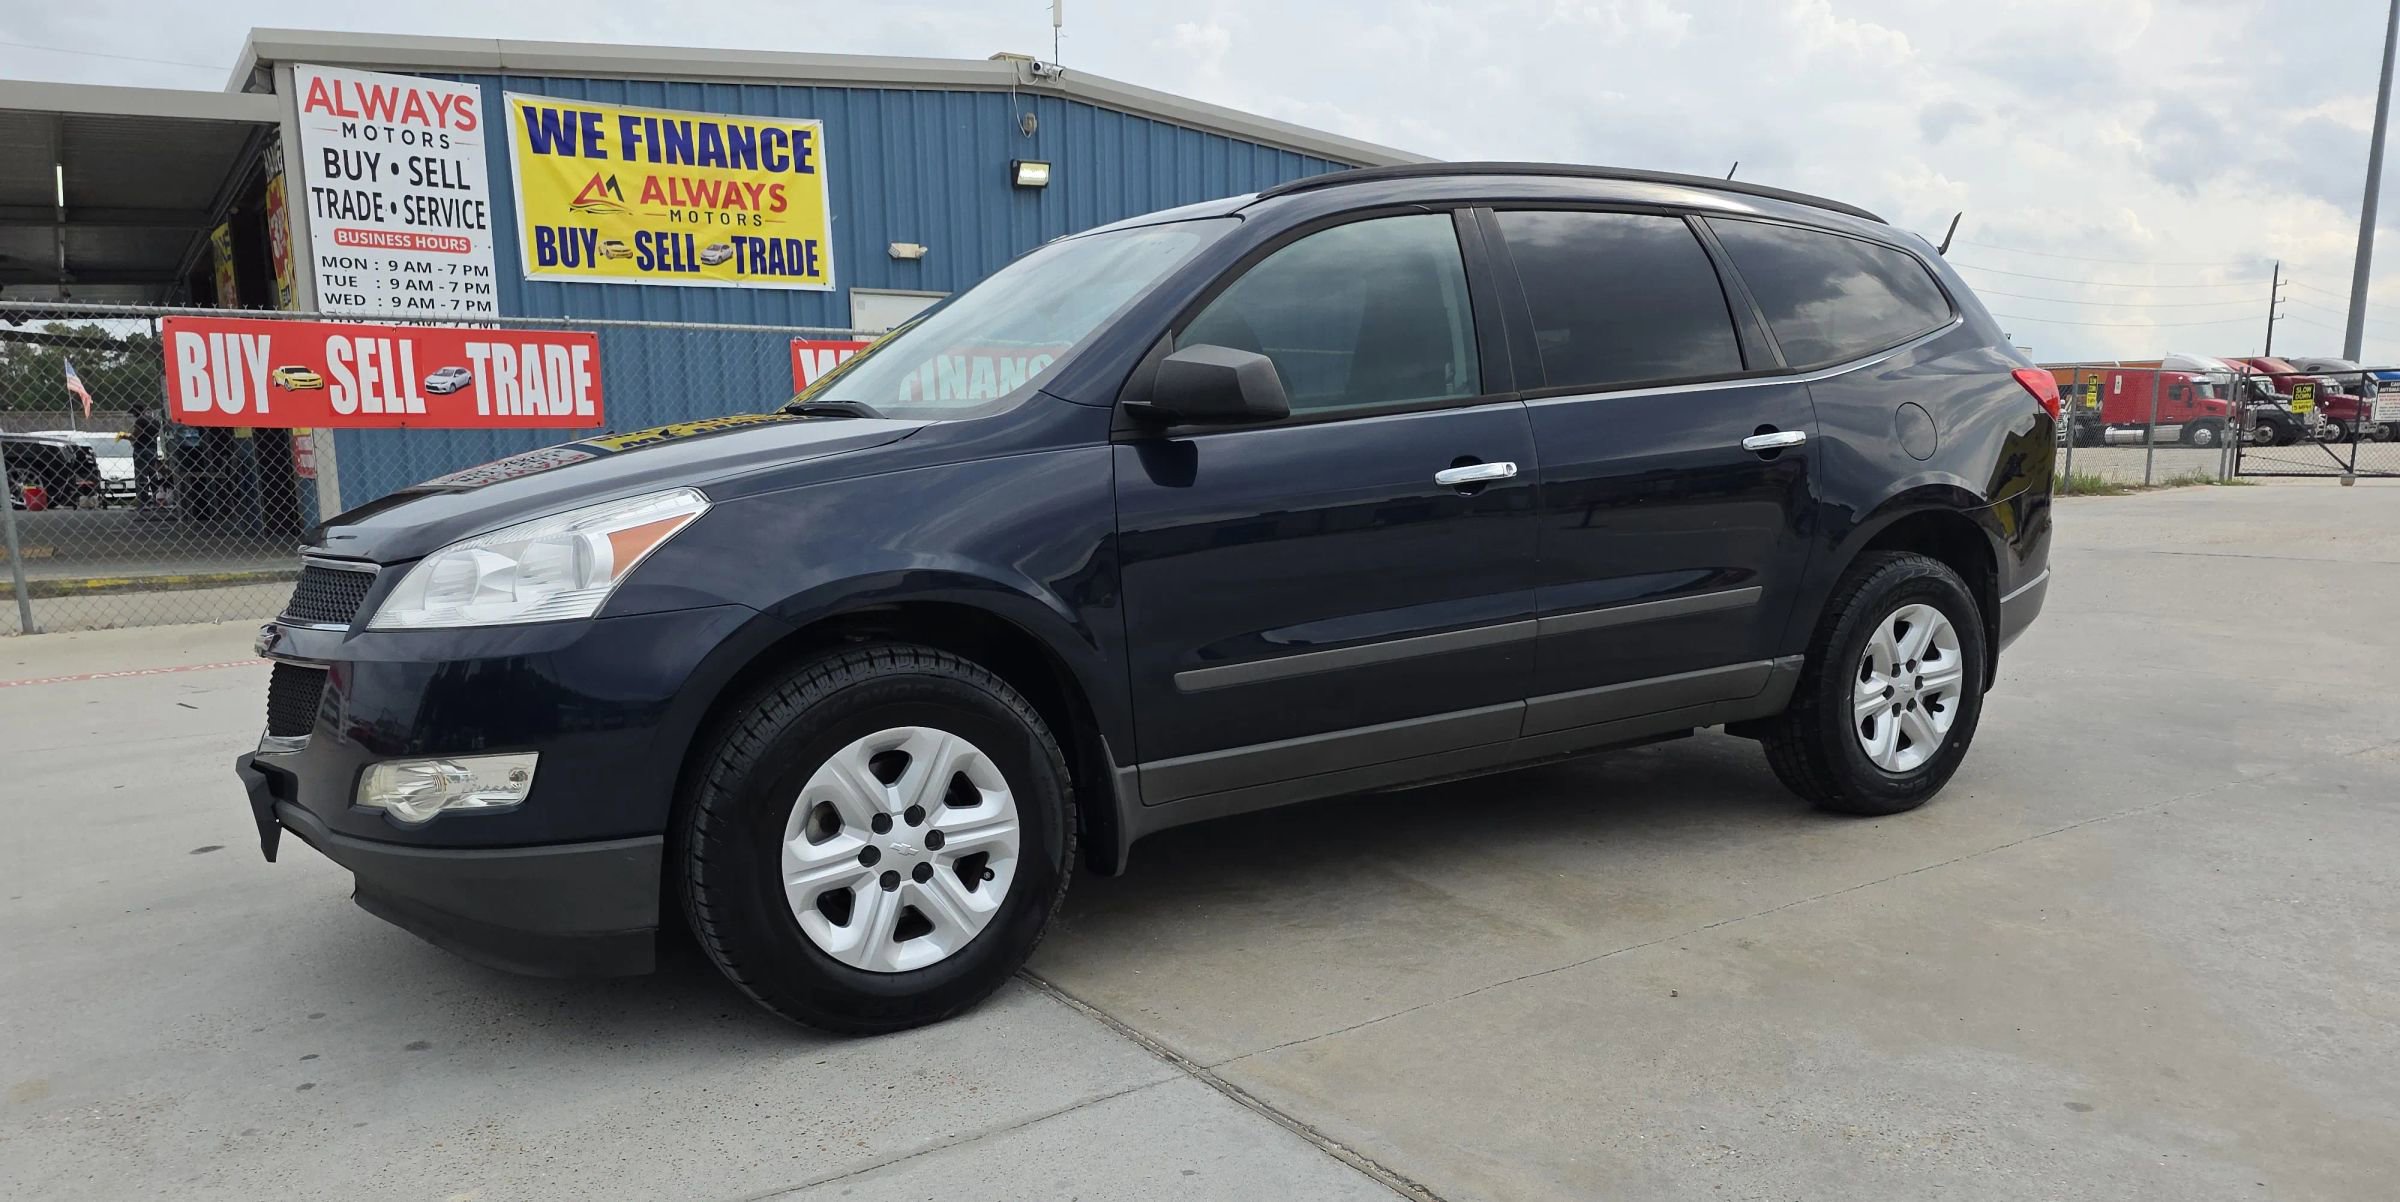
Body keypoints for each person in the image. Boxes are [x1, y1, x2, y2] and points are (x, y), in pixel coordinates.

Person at [128, 407, 162, 509]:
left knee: (141, 476)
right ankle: (156, 498)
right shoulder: (156, 421)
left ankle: (143, 501)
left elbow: (136, 435)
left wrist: (125, 436)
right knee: (153, 474)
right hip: (153, 449)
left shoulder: (140, 420)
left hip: (141, 450)